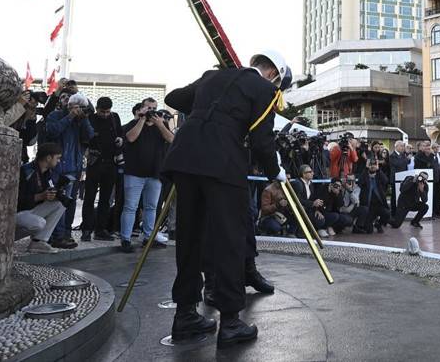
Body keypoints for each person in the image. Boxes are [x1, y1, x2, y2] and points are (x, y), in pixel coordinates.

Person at [162, 51, 288, 349]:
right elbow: (261, 139)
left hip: (184, 155)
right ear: (273, 74)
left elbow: (176, 98)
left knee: (189, 237)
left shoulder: (213, 76)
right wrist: (275, 171)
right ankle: (230, 321)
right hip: (222, 161)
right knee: (230, 239)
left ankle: (185, 315)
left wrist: (211, 102)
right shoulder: (266, 90)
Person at [119, 97, 174, 253]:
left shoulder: (160, 125)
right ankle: (126, 239)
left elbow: (172, 139)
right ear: (141, 109)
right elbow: (130, 137)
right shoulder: (133, 124)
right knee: (130, 207)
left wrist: (160, 124)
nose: (151, 111)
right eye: (148, 108)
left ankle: (149, 238)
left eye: (154, 108)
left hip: (155, 174)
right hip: (134, 173)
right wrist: (142, 119)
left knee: (151, 207)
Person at [45, 91, 95, 249]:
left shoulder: (81, 120)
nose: (79, 109)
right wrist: (70, 116)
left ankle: (66, 232)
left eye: (82, 107)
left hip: (74, 167)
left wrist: (85, 119)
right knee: (59, 201)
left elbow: (91, 136)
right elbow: (52, 131)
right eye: (77, 106)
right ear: (69, 105)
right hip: (57, 166)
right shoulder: (56, 115)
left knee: (69, 203)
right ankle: (58, 235)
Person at [82, 97, 124, 241]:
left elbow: (120, 132)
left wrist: (120, 139)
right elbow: (84, 136)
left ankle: (101, 229)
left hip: (110, 162)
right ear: (97, 109)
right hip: (95, 162)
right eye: (102, 111)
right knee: (89, 197)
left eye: (107, 112)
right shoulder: (91, 118)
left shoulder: (114, 118)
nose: (105, 114)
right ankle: (86, 229)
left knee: (105, 199)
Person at [15, 143, 67, 253]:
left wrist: (55, 195)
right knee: (39, 223)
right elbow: (16, 201)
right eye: (57, 158)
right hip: (17, 213)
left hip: (31, 210)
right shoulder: (25, 171)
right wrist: (40, 196)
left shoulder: (48, 173)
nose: (58, 161)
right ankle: (7, 238)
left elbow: (47, 191)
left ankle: (38, 242)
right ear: (48, 158)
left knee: (61, 203)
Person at [358, 157, 391, 233]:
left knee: (387, 213)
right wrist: (366, 168)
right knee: (369, 231)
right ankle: (367, 223)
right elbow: (361, 181)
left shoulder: (378, 177)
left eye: (374, 165)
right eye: (370, 165)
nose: (372, 166)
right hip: (368, 207)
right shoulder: (365, 177)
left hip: (379, 205)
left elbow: (385, 181)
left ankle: (378, 223)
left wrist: (378, 169)